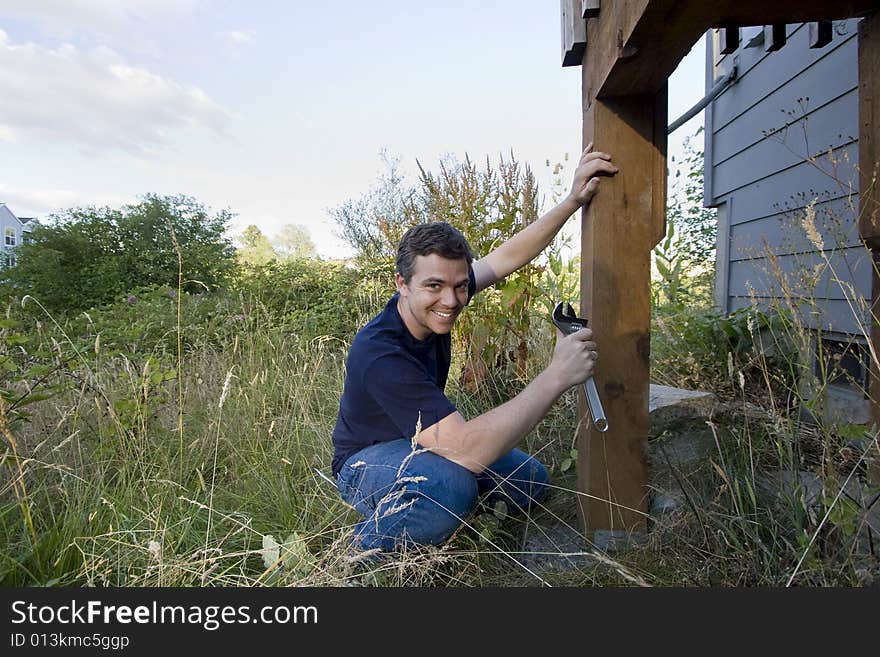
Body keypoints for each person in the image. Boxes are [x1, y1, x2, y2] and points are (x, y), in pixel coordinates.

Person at [331, 144, 619, 552]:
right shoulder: (379, 351)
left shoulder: (443, 296)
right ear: (402, 283)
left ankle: (442, 514)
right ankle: (357, 559)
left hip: (422, 445)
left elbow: (507, 256)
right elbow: (465, 449)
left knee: (528, 480)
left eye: (460, 285)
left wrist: (572, 200)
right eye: (434, 286)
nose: (451, 301)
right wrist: (557, 375)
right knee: (454, 482)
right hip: (365, 462)